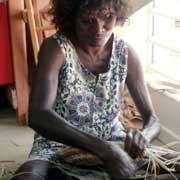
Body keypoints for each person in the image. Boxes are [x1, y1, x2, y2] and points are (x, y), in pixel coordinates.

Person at [11, 0, 180, 179]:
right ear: (72, 18)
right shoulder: (56, 48)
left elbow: (152, 120)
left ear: (118, 16)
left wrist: (144, 136)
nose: (99, 29)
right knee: (25, 178)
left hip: (114, 140)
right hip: (57, 144)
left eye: (107, 18)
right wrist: (104, 149)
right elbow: (39, 116)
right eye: (87, 21)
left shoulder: (126, 53)